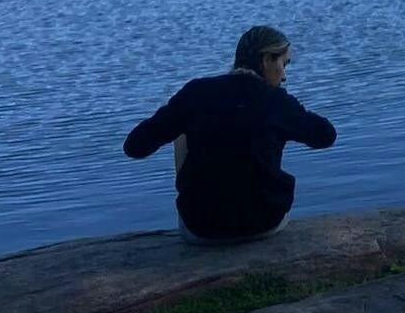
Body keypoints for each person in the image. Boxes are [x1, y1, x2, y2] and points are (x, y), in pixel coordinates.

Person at [124, 24, 337, 242]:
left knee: (181, 130)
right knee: (264, 130)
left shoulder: (196, 92)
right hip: (264, 221)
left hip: (201, 227)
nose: (284, 77)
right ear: (266, 60)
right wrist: (284, 114)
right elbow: (326, 135)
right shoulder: (276, 101)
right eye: (284, 64)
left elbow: (134, 146)